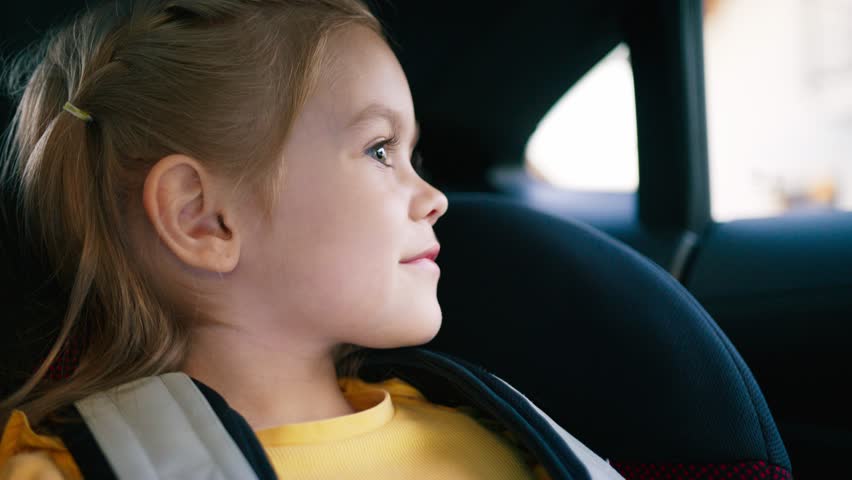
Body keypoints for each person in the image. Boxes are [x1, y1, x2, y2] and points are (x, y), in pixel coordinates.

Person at [0, 1, 624, 478]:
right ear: (202, 218)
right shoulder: (70, 468)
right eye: (381, 150)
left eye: (412, 153)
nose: (435, 198)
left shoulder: (511, 430)